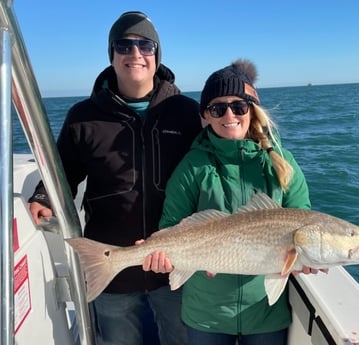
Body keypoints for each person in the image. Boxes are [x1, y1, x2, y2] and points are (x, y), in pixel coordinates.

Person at [28, 11, 202, 345]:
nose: (135, 53)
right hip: (111, 266)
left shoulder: (185, 112)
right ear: (111, 54)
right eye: (124, 45)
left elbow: (209, 167)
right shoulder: (84, 116)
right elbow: (65, 169)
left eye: (145, 45)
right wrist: (44, 197)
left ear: (157, 55)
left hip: (175, 266)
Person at [143, 59, 327, 345]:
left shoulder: (282, 163)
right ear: (206, 115)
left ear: (252, 109)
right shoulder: (193, 167)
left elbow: (300, 220)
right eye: (218, 108)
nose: (229, 114)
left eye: (239, 106)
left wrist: (309, 257)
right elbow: (170, 225)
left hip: (266, 312)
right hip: (206, 313)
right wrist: (164, 254)